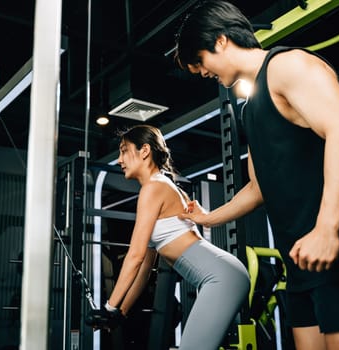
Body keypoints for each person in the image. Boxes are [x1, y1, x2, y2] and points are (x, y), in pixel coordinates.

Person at [174, 1, 339, 350]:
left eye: (199, 60)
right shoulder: (250, 105)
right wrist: (208, 218)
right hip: (304, 262)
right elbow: (259, 187)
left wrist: (327, 227)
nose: (199, 71)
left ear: (222, 40)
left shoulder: (288, 66)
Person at [86, 124, 250, 349]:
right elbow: (143, 269)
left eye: (124, 150)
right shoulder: (162, 187)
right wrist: (119, 313)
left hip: (222, 278)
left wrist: (109, 307)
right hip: (224, 275)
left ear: (144, 151)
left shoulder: (153, 188)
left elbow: (134, 255)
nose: (119, 159)